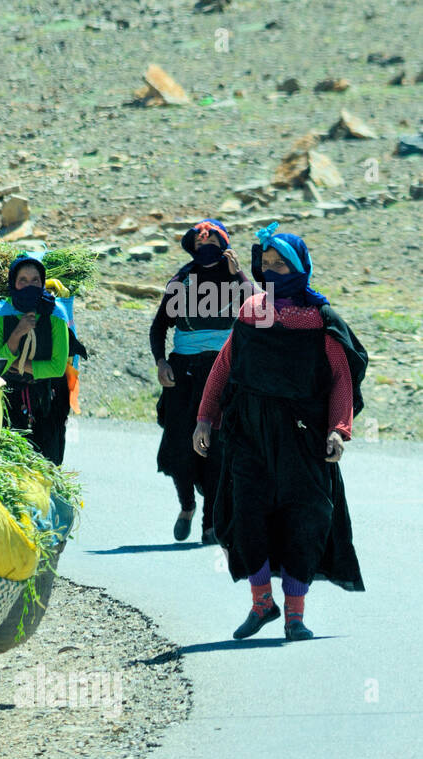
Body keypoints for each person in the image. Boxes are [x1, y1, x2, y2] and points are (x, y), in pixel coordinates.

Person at [193, 225, 367, 641]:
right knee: (246, 515)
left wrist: (340, 430)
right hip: (248, 433)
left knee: (303, 519)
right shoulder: (251, 311)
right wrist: (204, 417)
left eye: (281, 265)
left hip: (302, 437)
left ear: (300, 268)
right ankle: (261, 603)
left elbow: (341, 378)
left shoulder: (320, 320)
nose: (271, 272)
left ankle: (294, 614)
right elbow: (224, 364)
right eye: (265, 265)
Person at [150, 219, 253, 544]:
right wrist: (161, 361)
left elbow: (262, 313)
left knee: (218, 449)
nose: (205, 250)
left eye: (212, 244)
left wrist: (239, 273)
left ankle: (210, 523)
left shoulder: (236, 281)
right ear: (192, 248)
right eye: (199, 245)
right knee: (180, 445)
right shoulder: (181, 281)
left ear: (224, 247)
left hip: (224, 371)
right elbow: (159, 327)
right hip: (184, 374)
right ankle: (187, 506)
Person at [0, 255, 87, 465]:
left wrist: (18, 364)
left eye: (35, 280)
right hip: (7, 401)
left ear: (42, 282)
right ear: (13, 284)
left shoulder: (56, 314)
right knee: (9, 463)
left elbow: (56, 368)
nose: (29, 285)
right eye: (23, 281)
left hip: (47, 401)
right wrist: (16, 335)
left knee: (46, 464)